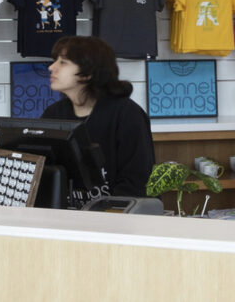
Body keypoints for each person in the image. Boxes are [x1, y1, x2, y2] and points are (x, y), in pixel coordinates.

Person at [42, 34, 155, 195]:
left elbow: (136, 182)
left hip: (116, 216)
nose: (51, 67)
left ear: (88, 73)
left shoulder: (127, 115)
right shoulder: (53, 114)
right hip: (66, 217)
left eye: (63, 62)